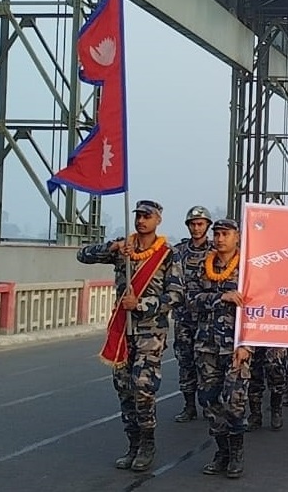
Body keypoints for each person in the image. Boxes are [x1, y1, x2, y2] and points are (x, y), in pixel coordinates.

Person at [76, 200, 181, 472]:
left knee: (142, 387)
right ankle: (132, 444)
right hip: (123, 330)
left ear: (158, 220)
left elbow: (175, 295)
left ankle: (147, 444)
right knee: (124, 388)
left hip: (150, 330)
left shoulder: (168, 254)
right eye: (139, 216)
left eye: (147, 216)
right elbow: (82, 255)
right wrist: (112, 248)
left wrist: (142, 305)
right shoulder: (124, 248)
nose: (141, 220)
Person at [189, 218, 252, 478]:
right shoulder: (203, 266)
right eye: (216, 234)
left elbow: (257, 309)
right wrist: (220, 296)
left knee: (234, 401)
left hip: (236, 347)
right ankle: (222, 451)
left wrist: (247, 344)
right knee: (209, 401)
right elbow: (191, 299)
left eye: (225, 234)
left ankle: (236, 453)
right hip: (207, 346)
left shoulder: (248, 268)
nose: (220, 238)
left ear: (237, 237)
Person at [172, 205, 213, 423]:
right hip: (183, 318)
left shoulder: (216, 251)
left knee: (207, 364)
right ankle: (189, 406)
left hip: (207, 318)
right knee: (185, 362)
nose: (196, 228)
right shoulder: (178, 251)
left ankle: (208, 405)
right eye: (193, 224)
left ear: (207, 226)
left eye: (200, 224)